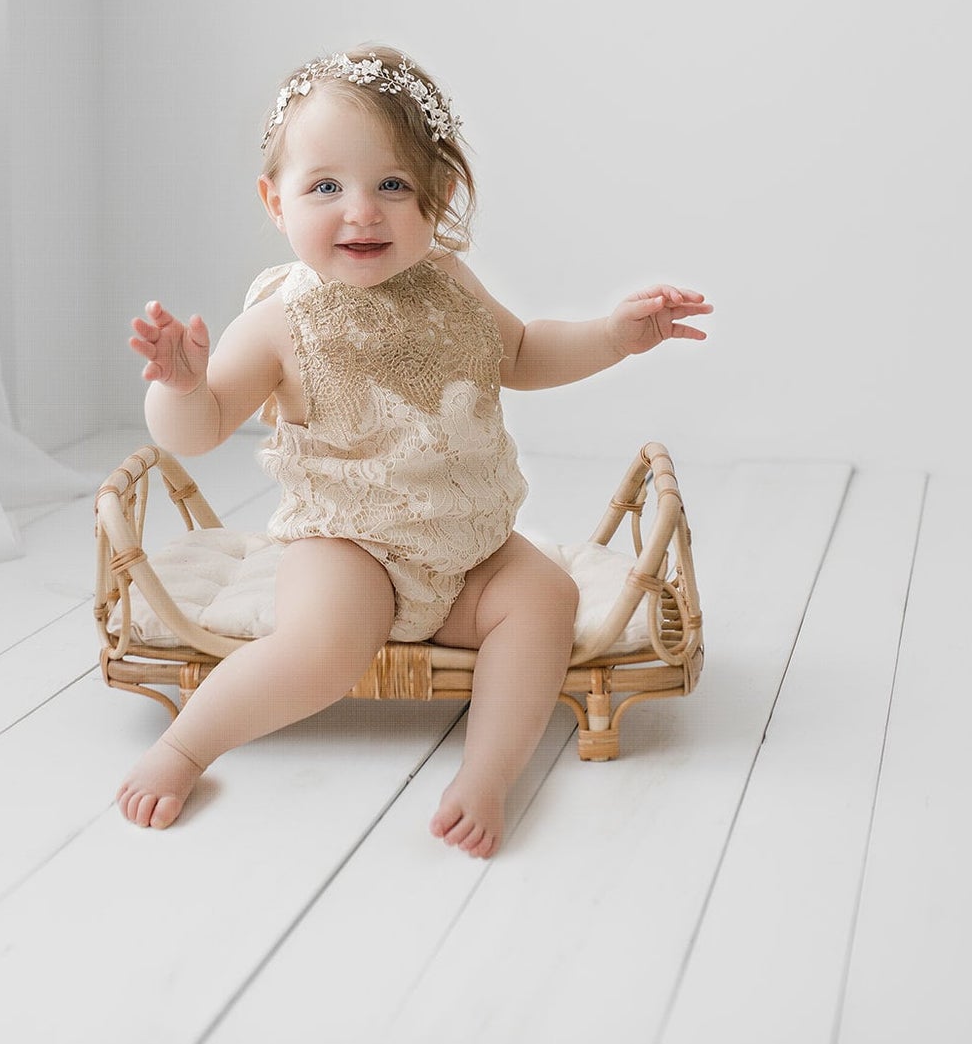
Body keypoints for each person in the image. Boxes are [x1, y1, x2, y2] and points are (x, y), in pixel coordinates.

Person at [116, 45, 710, 857]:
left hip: (469, 552)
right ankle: (186, 746)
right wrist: (181, 387)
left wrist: (613, 336)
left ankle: (487, 775)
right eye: (325, 186)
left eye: (393, 184)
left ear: (436, 197)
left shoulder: (450, 284)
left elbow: (526, 352)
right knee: (325, 648)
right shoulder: (283, 319)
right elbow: (201, 424)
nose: (362, 211)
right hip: (348, 543)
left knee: (545, 599)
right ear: (274, 200)